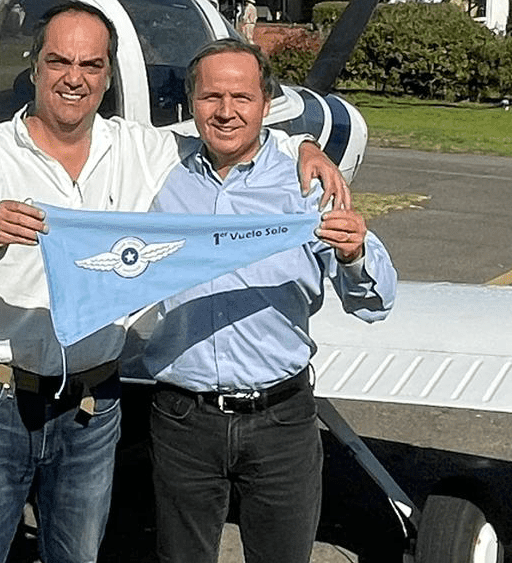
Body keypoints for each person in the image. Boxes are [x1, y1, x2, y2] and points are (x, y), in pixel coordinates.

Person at [0, 3, 348, 563]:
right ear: (35, 67)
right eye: (59, 61)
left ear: (107, 75)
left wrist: (302, 147)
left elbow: (232, 134)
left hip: (93, 405)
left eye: (91, 65)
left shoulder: (141, 150)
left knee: (78, 555)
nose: (75, 77)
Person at [143, 38, 397, 563]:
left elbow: (375, 304)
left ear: (266, 105)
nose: (226, 111)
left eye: (242, 97)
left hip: (280, 421)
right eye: (211, 97)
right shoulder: (157, 176)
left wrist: (352, 255)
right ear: (192, 105)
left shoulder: (309, 185)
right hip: (182, 421)